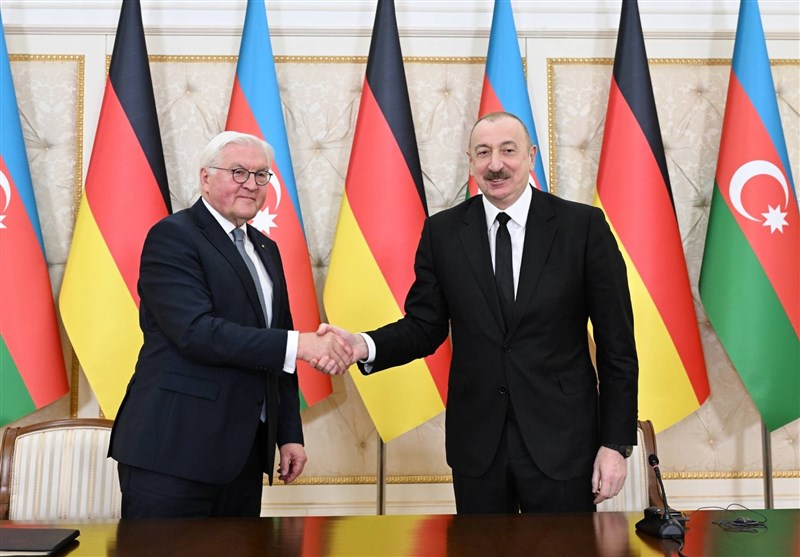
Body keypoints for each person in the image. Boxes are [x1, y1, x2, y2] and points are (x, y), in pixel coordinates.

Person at [317, 112, 638, 514]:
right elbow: (424, 326)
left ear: (531, 156)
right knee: (478, 546)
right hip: (478, 447)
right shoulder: (443, 232)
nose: (495, 164)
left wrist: (615, 444)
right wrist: (363, 345)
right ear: (470, 162)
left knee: (565, 546)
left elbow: (617, 345)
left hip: (563, 442)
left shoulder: (582, 227)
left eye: (508, 151)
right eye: (483, 153)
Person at [109, 131, 351, 518]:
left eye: (261, 175)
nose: (251, 184)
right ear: (205, 178)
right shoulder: (173, 236)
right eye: (238, 172)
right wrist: (301, 345)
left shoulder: (266, 249)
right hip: (173, 452)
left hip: (243, 455)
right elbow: (196, 333)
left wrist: (288, 434)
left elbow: (278, 350)